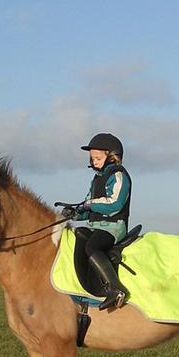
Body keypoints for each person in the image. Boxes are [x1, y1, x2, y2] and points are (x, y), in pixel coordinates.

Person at [67, 133, 131, 310]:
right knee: (78, 234)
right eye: (92, 158)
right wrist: (74, 213)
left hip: (113, 228)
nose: (94, 161)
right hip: (95, 226)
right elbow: (88, 208)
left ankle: (116, 289)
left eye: (98, 157)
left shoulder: (119, 175)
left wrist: (88, 205)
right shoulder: (96, 180)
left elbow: (115, 203)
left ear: (111, 156)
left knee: (92, 246)